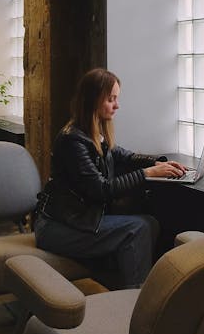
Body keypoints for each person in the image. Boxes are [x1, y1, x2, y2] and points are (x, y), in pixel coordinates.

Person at [34, 67, 187, 288]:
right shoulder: (73, 141)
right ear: (93, 100)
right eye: (111, 99)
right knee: (139, 227)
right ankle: (134, 299)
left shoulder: (96, 134)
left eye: (116, 98)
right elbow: (101, 189)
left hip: (79, 221)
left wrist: (158, 163)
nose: (117, 105)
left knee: (151, 222)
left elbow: (124, 156)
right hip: (56, 228)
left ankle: (125, 289)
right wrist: (148, 174)